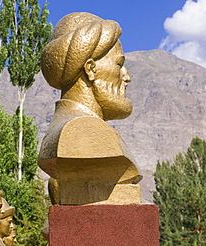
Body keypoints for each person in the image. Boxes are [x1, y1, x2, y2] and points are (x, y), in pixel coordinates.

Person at [39, 12, 142, 205]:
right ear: (90, 69)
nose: (126, 77)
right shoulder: (81, 130)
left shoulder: (74, 129)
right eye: (119, 64)